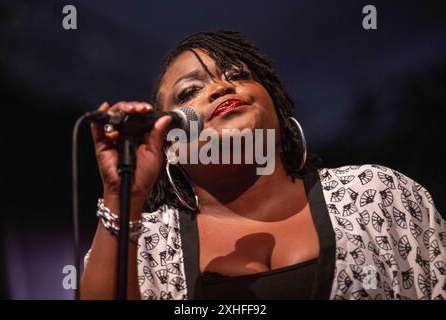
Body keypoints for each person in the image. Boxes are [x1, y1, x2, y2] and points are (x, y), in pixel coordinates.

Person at [80, 30, 446, 300]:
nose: (221, 87)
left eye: (238, 74)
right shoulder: (145, 243)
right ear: (169, 146)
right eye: (190, 92)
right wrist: (120, 194)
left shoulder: (376, 193)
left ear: (278, 109)